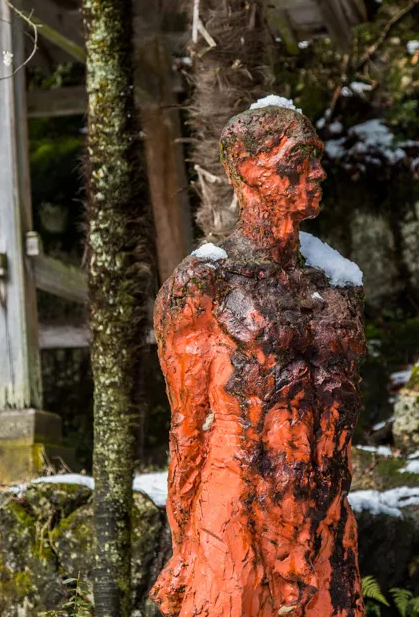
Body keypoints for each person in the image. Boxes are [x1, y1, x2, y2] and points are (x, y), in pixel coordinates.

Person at [150, 105, 366, 617]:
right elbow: (187, 428)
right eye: (301, 159)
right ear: (248, 167)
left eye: (317, 158)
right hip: (236, 499)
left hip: (324, 504)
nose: (319, 172)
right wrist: (184, 545)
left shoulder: (338, 284)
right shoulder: (206, 283)